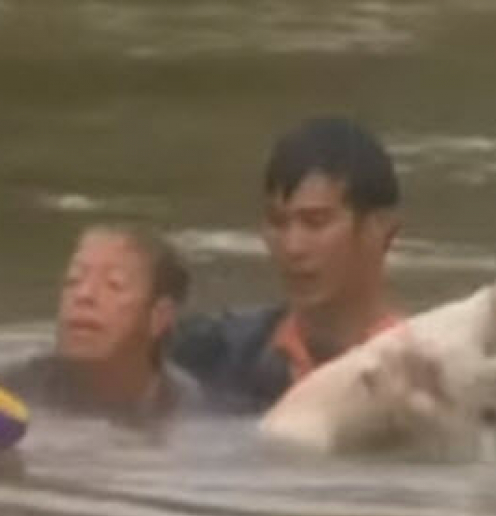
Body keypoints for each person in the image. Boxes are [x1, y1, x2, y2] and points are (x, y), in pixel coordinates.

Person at [169, 116, 403, 413]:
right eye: (278, 222)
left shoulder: (430, 378)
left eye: (316, 222)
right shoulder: (213, 354)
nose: (292, 247)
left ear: (379, 231)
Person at [0, 224, 201, 426]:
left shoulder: (190, 411)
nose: (84, 295)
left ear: (159, 317)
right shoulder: (16, 391)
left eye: (114, 285)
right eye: (73, 281)